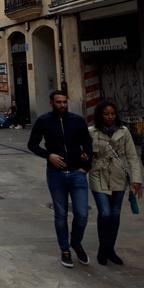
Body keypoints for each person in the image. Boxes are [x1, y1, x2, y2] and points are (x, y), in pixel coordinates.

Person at [28, 90, 93, 268]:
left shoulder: (77, 121)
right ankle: (65, 249)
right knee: (61, 215)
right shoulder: (44, 121)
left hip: (77, 174)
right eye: (58, 102)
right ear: (51, 103)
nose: (62, 105)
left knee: (82, 213)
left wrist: (85, 167)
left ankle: (76, 242)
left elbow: (88, 144)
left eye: (64, 102)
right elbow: (32, 144)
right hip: (56, 175)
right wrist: (49, 155)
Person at [88, 100, 142, 265]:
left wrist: (136, 180)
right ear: (100, 115)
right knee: (105, 213)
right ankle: (103, 248)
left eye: (112, 113)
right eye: (106, 114)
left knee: (115, 214)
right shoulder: (91, 131)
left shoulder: (124, 131)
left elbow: (132, 156)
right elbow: (83, 151)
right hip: (99, 175)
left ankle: (109, 249)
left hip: (119, 175)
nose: (110, 117)